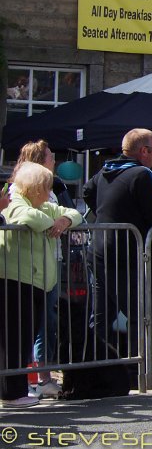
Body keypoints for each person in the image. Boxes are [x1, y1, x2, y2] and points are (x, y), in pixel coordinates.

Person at [83, 128, 152, 389]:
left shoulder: (105, 171)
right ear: (144, 151)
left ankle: (91, 370)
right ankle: (144, 370)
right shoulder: (142, 174)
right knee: (142, 314)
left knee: (101, 316)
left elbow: (88, 193)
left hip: (100, 250)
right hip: (129, 253)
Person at [0, 162, 81, 408]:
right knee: (13, 339)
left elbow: (74, 213)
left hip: (36, 282)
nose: (49, 192)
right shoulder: (17, 202)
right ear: (35, 187)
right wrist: (53, 223)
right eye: (45, 187)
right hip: (16, 280)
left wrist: (65, 220)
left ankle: (15, 390)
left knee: (23, 339)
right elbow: (27, 217)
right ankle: (11, 393)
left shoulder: (42, 205)